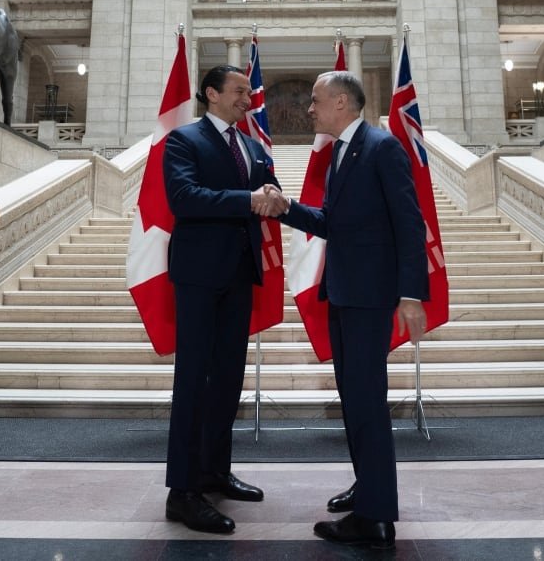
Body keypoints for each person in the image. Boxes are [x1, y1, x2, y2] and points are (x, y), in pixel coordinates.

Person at [271, 70, 428, 550]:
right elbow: (334, 224)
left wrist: (411, 294)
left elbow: (409, 221)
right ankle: (368, 488)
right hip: (343, 294)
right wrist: (287, 208)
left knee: (366, 406)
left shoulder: (381, 148)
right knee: (356, 402)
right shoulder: (343, 152)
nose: (309, 109)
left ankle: (375, 519)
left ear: (341, 102)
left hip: (368, 298)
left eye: (316, 101)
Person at [161, 64, 286, 534]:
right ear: (211, 93)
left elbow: (266, 191)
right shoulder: (184, 140)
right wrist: (247, 200)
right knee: (194, 380)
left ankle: (215, 470)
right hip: (197, 276)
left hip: (239, 275)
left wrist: (272, 195)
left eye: (248, 91)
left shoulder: (252, 145)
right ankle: (183, 491)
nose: (247, 98)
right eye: (238, 91)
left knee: (229, 378)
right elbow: (184, 197)